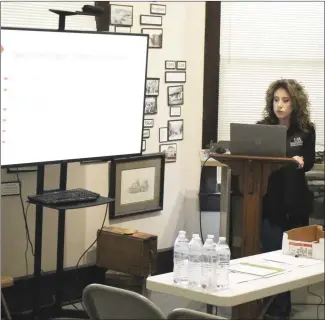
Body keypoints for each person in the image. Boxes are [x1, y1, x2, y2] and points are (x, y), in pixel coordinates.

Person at [258, 79, 316, 320]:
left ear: (295, 103)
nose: (279, 105)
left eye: (285, 100)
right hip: (270, 202)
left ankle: (282, 308)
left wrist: (299, 161)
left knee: (291, 258)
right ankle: (276, 309)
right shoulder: (263, 128)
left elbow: (310, 161)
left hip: (295, 202)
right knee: (271, 254)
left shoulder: (305, 130)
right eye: (276, 100)